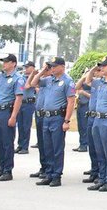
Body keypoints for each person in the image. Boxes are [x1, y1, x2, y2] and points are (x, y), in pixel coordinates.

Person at [82, 56, 107, 192]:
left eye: (104, 65)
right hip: (97, 119)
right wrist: (94, 68)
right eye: (101, 66)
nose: (102, 68)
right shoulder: (100, 82)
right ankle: (101, 179)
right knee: (99, 151)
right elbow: (87, 81)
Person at [34, 57, 72, 187]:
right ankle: (49, 174)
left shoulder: (67, 81)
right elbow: (33, 83)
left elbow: (71, 101)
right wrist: (43, 70)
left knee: (57, 148)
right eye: (51, 66)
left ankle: (56, 176)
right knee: (47, 147)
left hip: (58, 117)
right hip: (46, 117)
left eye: (55, 66)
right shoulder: (49, 80)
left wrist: (67, 120)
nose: (53, 68)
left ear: (62, 67)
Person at [15, 62, 38, 156]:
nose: (26, 69)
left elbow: (27, 86)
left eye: (28, 67)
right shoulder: (21, 77)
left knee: (26, 126)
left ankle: (25, 147)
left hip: (28, 103)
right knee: (20, 125)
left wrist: (33, 74)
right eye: (25, 67)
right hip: (20, 103)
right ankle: (20, 145)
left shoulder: (34, 78)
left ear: (33, 68)